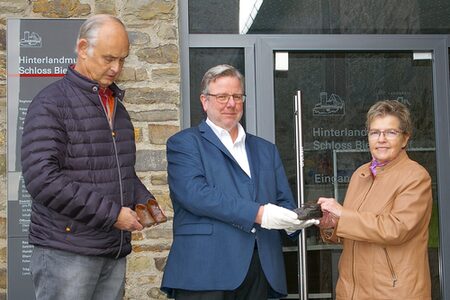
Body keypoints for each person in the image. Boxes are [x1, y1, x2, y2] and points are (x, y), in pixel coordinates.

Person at [21, 14, 158, 300]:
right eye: (109, 58)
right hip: (66, 252)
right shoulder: (50, 103)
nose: (116, 68)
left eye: (122, 59)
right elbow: (42, 180)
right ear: (83, 48)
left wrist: (146, 206)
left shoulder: (117, 109)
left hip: (111, 249)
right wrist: (112, 216)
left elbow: (118, 171)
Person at [161, 64, 318, 299]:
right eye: (222, 96)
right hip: (205, 271)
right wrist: (259, 213)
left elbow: (283, 201)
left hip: (260, 269)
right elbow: (195, 194)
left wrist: (292, 221)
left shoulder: (266, 149)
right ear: (204, 101)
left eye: (237, 96)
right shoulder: (184, 144)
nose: (231, 103)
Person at [318, 100, 432, 299]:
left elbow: (396, 229)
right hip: (351, 292)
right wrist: (331, 226)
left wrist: (343, 214)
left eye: (390, 132)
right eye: (375, 132)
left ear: (405, 138)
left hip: (393, 292)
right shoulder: (359, 174)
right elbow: (352, 229)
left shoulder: (416, 176)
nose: (381, 139)